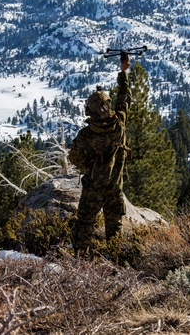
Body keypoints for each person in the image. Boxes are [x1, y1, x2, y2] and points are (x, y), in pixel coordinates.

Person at [68, 52, 131, 253]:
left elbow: (74, 157)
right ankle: (115, 261)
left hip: (94, 187)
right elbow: (125, 97)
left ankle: (80, 263)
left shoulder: (85, 135)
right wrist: (124, 71)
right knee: (114, 228)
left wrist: (89, 166)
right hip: (114, 187)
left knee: (85, 225)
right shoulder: (119, 125)